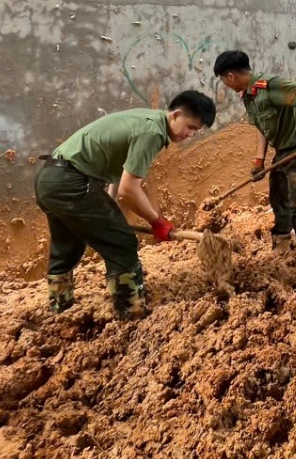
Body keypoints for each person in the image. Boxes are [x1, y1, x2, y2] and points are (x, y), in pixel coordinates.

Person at [34, 90, 216, 319]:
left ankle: (60, 308)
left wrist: (113, 212)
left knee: (67, 246)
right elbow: (129, 189)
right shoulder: (152, 132)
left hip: (50, 180)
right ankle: (131, 312)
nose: (191, 134)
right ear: (176, 115)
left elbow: (120, 177)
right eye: (190, 127)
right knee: (122, 243)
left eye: (196, 131)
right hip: (74, 183)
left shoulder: (144, 119)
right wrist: (157, 222)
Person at [214, 50, 296, 287]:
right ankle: (281, 244)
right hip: (283, 152)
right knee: (277, 197)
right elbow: (263, 127)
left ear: (230, 76)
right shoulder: (250, 95)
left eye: (223, 81)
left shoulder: (269, 85)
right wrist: (259, 160)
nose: (225, 85)